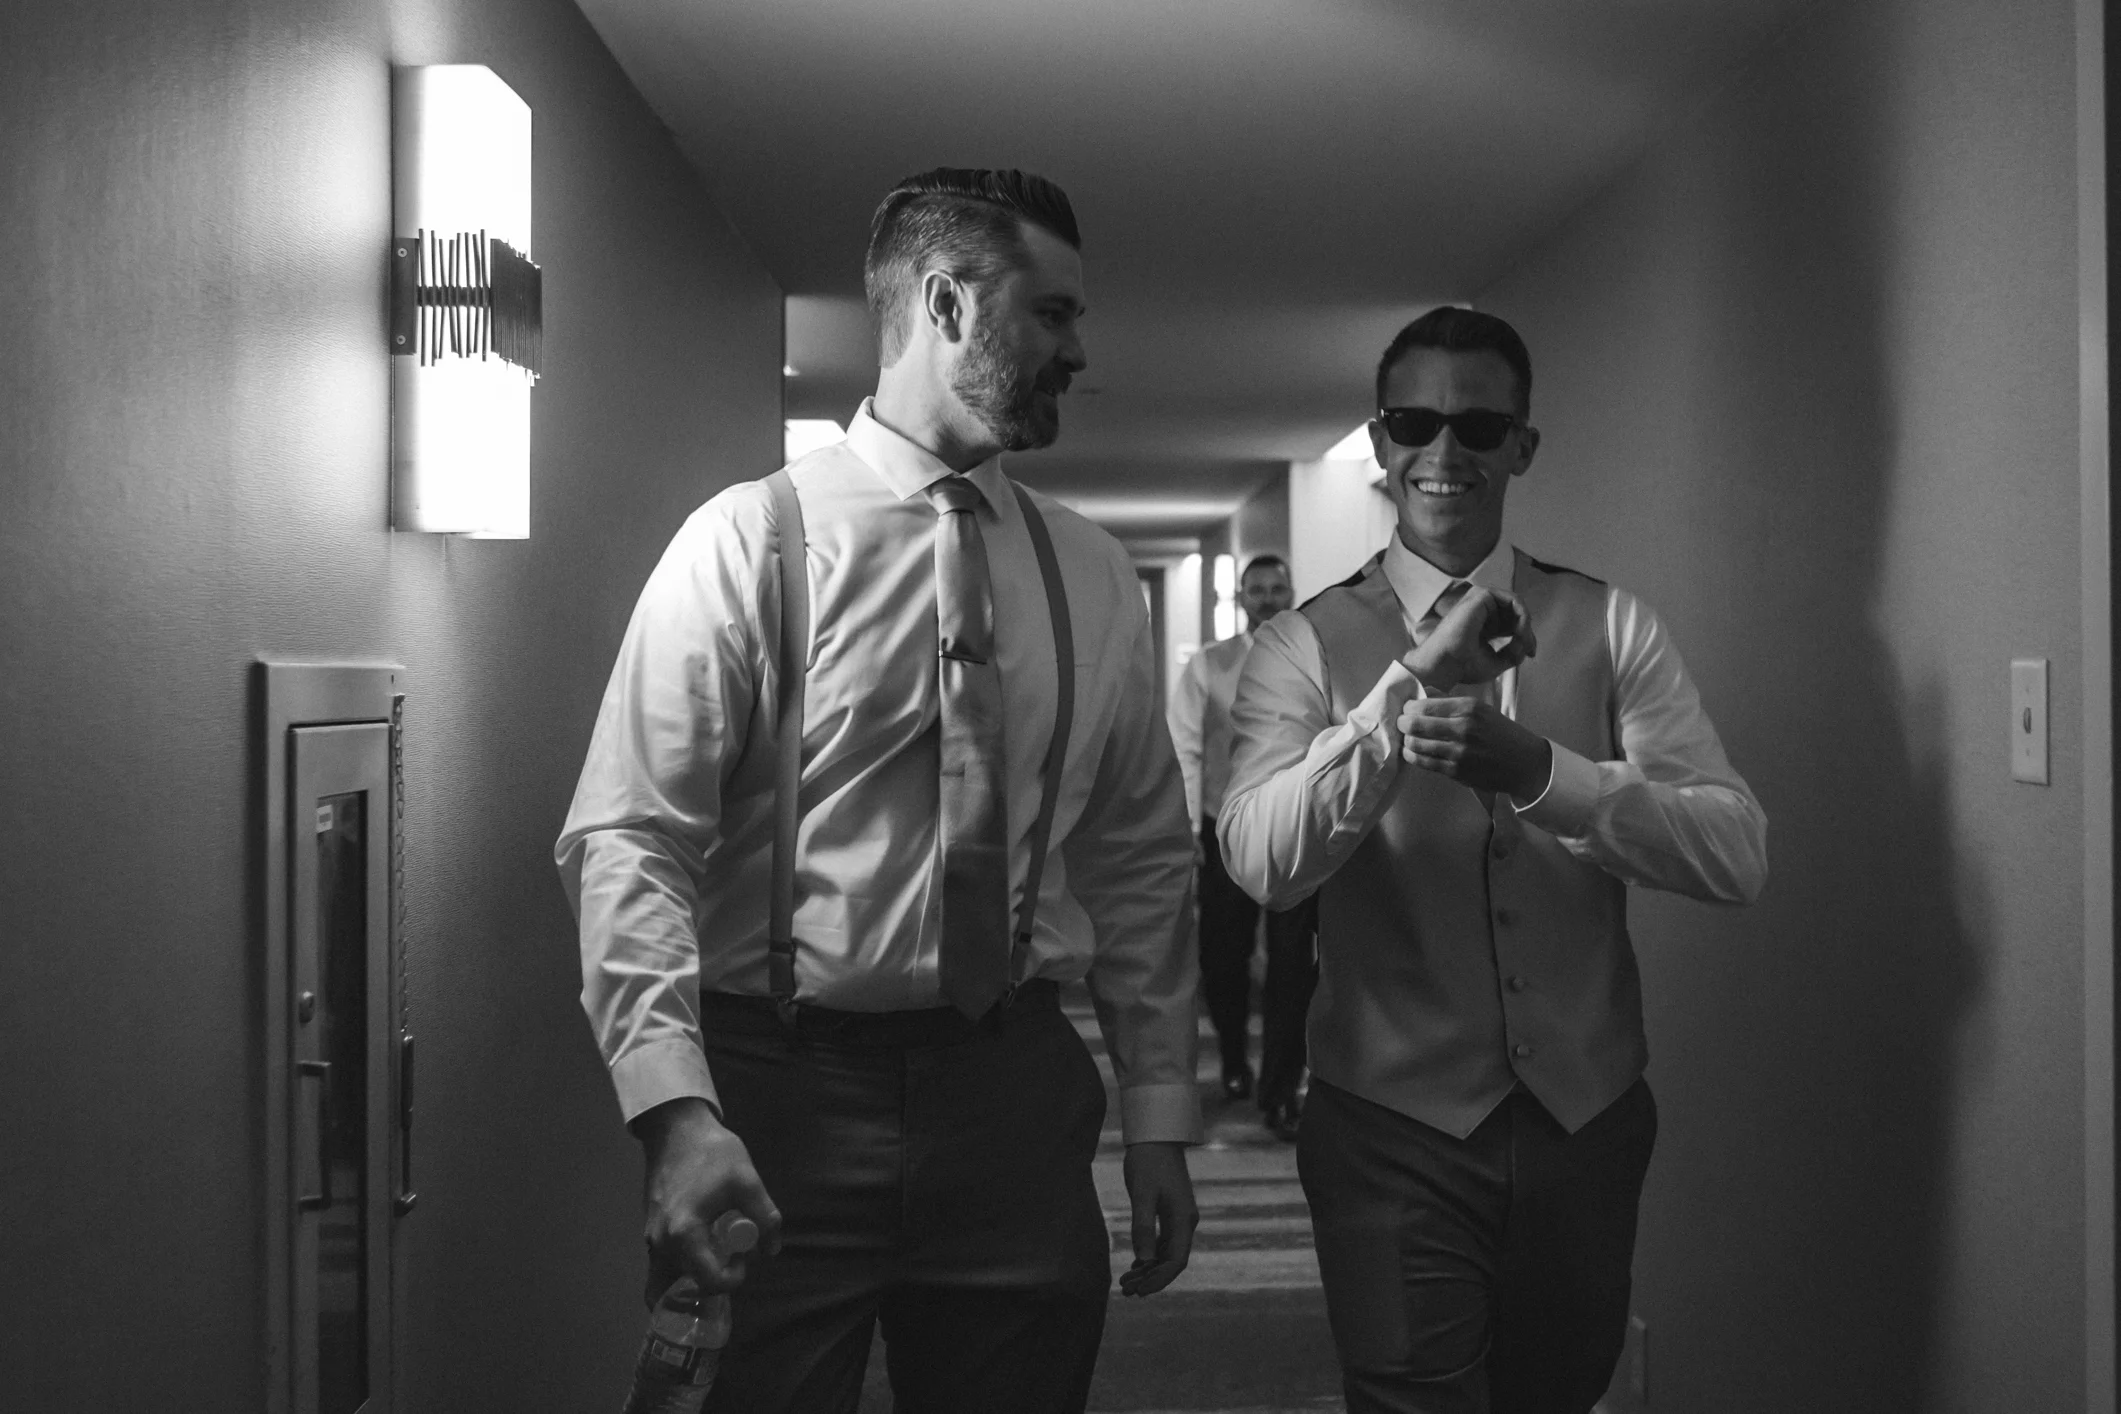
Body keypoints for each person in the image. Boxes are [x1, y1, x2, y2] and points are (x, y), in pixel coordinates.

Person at [557, 168, 1202, 1414]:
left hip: (1014, 1096)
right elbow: (632, 841)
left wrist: (1160, 1112)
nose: (1079, 350)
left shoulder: (1087, 569)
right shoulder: (749, 540)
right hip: (784, 1091)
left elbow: (1137, 857)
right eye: (1053, 313)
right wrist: (674, 1112)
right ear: (948, 303)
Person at [1218, 306, 1767, 1414]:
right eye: (1413, 422)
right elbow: (1263, 865)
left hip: (1588, 1121)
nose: (1444, 450)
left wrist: (1546, 774)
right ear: (1380, 442)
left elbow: (1734, 851)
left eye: (1477, 425)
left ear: (1522, 445)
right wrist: (1408, 686)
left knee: (1556, 1393)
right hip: (1389, 1127)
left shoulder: (1614, 626)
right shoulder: (1299, 643)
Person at [1166, 555, 1317, 1140]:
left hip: (1295, 831)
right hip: (1222, 827)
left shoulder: (1313, 658)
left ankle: (1280, 1090)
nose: (1268, 598)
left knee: (1292, 964)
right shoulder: (1209, 664)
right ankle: (1233, 1058)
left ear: (1292, 592)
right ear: (1241, 598)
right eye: (1257, 590)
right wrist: (1186, 827)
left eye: (1278, 588)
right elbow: (1185, 747)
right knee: (1222, 958)